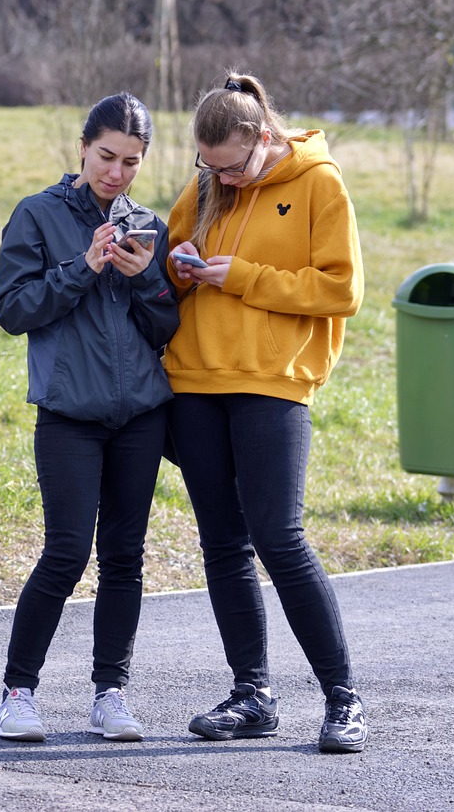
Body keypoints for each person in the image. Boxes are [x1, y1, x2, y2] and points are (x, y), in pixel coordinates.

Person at [163, 72, 368, 754]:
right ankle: (252, 694)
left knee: (280, 537)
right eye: (207, 165)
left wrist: (241, 276)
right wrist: (178, 263)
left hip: (275, 381)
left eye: (229, 165)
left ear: (261, 138)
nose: (220, 177)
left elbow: (342, 288)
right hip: (195, 380)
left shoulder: (318, 183)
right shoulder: (206, 186)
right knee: (222, 543)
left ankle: (344, 698)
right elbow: (169, 260)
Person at [0, 92, 179, 743]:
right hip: (69, 414)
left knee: (125, 557)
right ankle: (17, 693)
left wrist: (142, 278)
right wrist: (84, 266)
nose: (117, 173)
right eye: (107, 156)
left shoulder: (147, 222)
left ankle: (111, 694)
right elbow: (13, 309)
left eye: (132, 161)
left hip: (140, 416)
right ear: (82, 148)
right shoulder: (38, 215)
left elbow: (166, 323)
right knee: (66, 553)